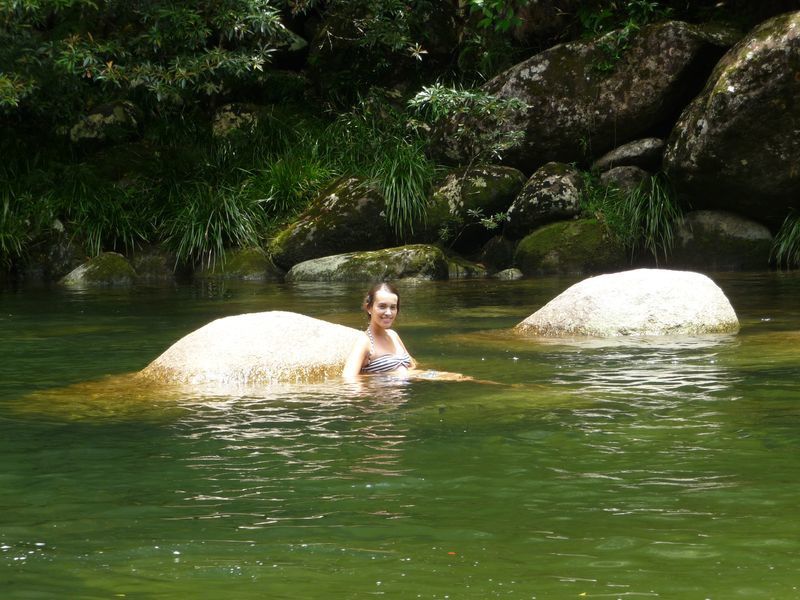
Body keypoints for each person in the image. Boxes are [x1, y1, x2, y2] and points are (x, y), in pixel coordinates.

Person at [342, 282, 417, 378]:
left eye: (393, 307)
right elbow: (348, 379)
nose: (389, 313)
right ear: (369, 308)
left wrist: (436, 375)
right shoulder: (365, 342)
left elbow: (411, 366)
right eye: (382, 306)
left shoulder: (393, 335)